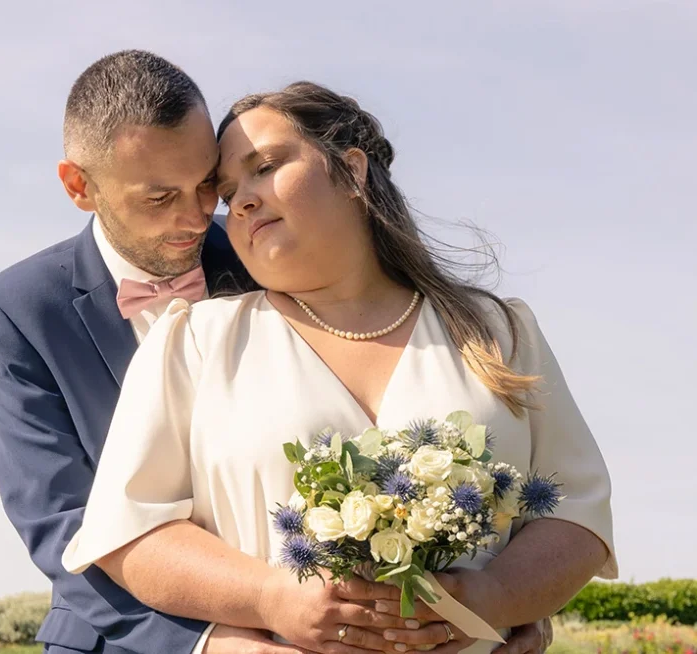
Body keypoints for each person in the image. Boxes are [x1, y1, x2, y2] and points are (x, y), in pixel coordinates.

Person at [62, 81, 617, 654]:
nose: (242, 201)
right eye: (228, 193)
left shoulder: (497, 332)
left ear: (352, 171)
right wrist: (269, 597)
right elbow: (129, 533)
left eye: (266, 167)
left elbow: (577, 510)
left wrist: (496, 596)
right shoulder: (192, 342)